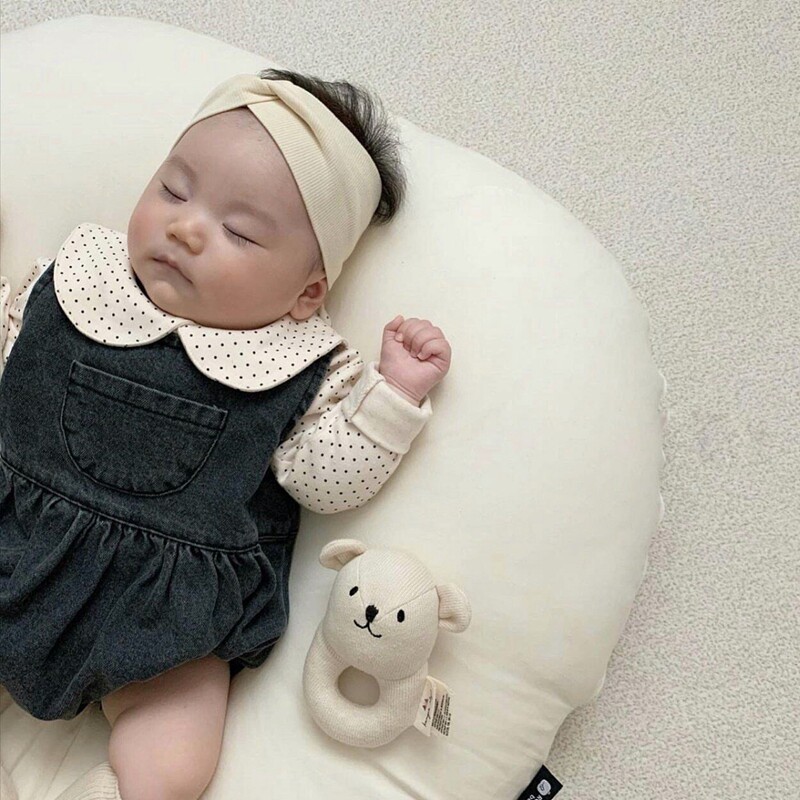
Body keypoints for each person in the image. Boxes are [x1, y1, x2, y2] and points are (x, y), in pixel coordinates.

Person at [0, 69, 451, 800]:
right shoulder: (77, 281)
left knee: (176, 753)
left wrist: (392, 398)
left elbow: (325, 481)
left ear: (307, 292)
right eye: (173, 190)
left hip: (163, 616)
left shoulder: (300, 367)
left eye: (239, 232)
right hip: (14, 539)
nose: (184, 227)